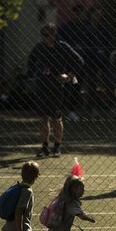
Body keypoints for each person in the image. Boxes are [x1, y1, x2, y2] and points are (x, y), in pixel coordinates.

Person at [28, 23, 84, 158]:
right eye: (42, 35)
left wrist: (69, 75)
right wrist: (35, 75)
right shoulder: (39, 48)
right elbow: (30, 62)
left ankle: (57, 146)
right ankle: (44, 147)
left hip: (56, 87)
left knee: (56, 118)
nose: (44, 38)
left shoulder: (63, 47)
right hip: (42, 86)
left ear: (54, 34)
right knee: (42, 118)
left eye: (47, 35)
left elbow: (79, 61)